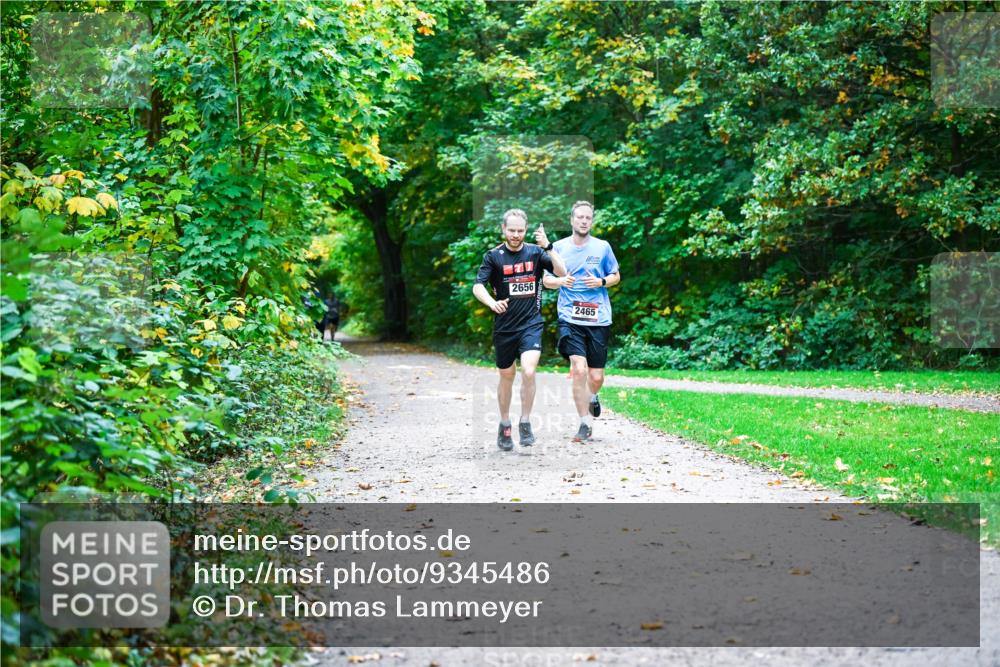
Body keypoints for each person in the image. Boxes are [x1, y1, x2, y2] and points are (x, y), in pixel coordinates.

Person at [473, 209, 567, 451]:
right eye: (511, 230)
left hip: (530, 324)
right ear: (504, 229)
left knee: (528, 370)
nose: (516, 235)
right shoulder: (493, 256)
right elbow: (478, 286)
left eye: (520, 230)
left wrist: (548, 247)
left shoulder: (536, 253)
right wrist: (492, 303)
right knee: (506, 375)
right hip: (504, 327)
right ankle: (505, 424)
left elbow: (562, 272)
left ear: (526, 231)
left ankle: (525, 421)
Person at [542, 201, 620, 441]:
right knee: (578, 368)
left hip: (598, 317)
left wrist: (602, 282)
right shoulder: (558, 248)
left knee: (596, 377)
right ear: (572, 220)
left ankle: (592, 396)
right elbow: (546, 280)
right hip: (570, 317)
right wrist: (561, 281)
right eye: (580, 217)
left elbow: (616, 276)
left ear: (591, 221)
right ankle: (584, 423)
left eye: (588, 217)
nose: (584, 221)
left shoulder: (603, 247)